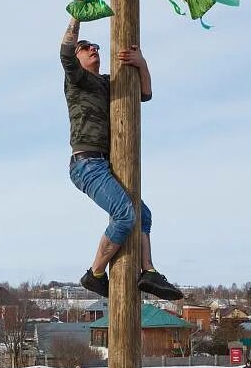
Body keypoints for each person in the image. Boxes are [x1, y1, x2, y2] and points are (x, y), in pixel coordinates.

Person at [61, 16, 181, 300]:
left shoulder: (108, 83)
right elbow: (65, 52)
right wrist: (77, 16)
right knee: (125, 215)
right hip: (86, 164)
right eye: (86, 48)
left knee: (143, 215)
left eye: (96, 47)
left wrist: (141, 63)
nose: (94, 50)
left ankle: (148, 271)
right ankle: (96, 273)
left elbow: (144, 93)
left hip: (105, 163)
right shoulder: (77, 81)